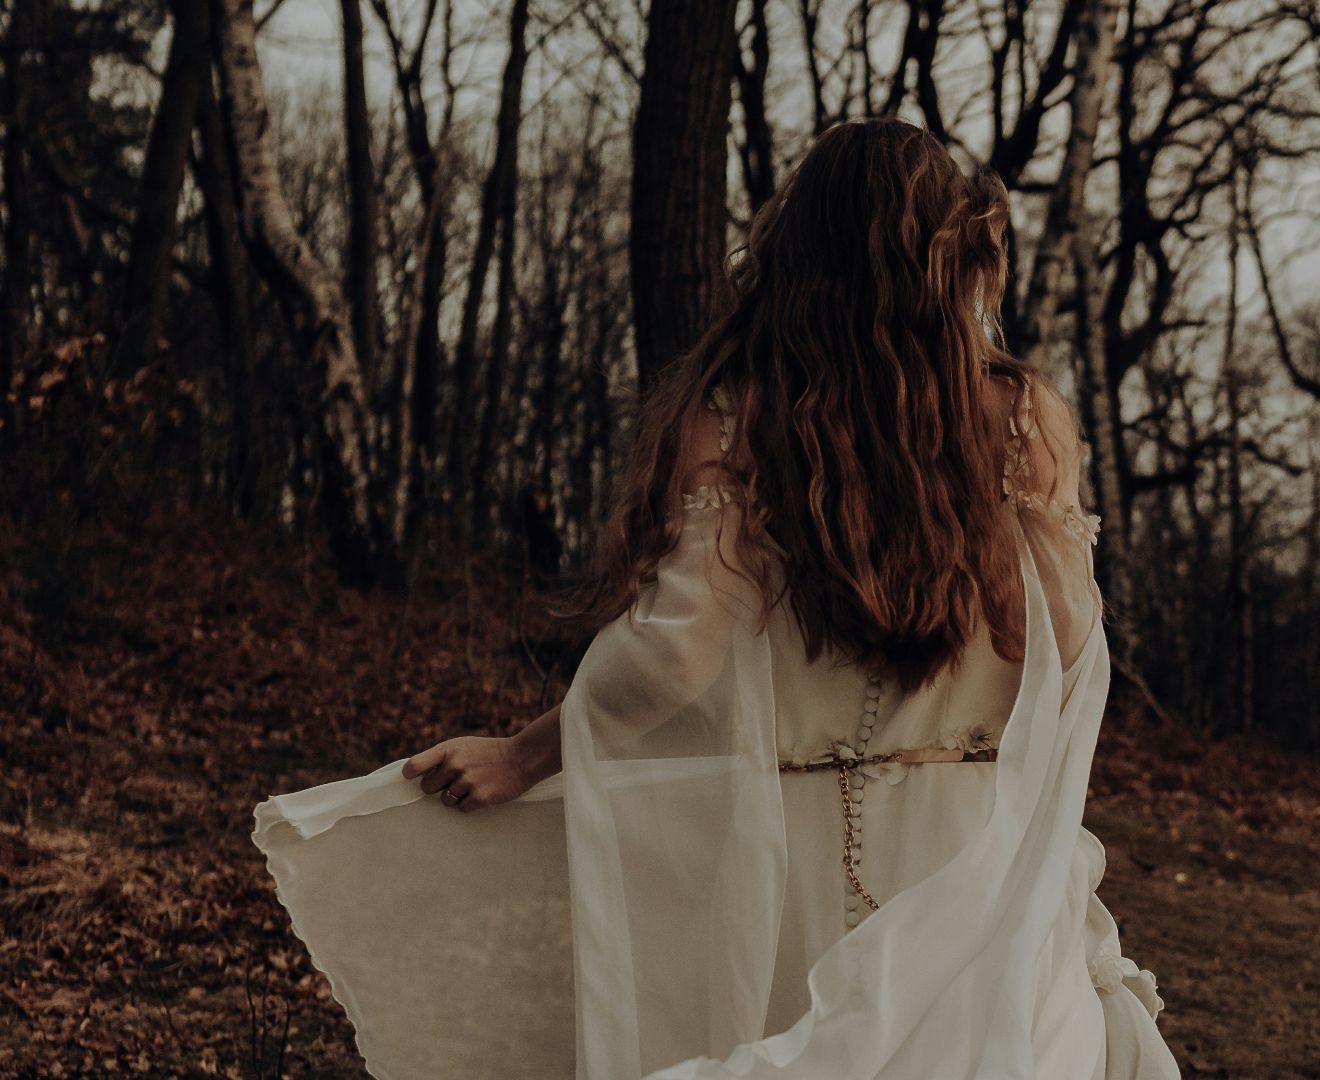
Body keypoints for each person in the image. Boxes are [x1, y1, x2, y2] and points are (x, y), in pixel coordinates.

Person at [252, 117, 1178, 1080]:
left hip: (794, 860)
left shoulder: (738, 410)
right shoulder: (1022, 413)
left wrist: (527, 754)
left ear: (794, 251)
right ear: (947, 256)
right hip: (968, 841)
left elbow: (675, 654)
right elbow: (1061, 646)